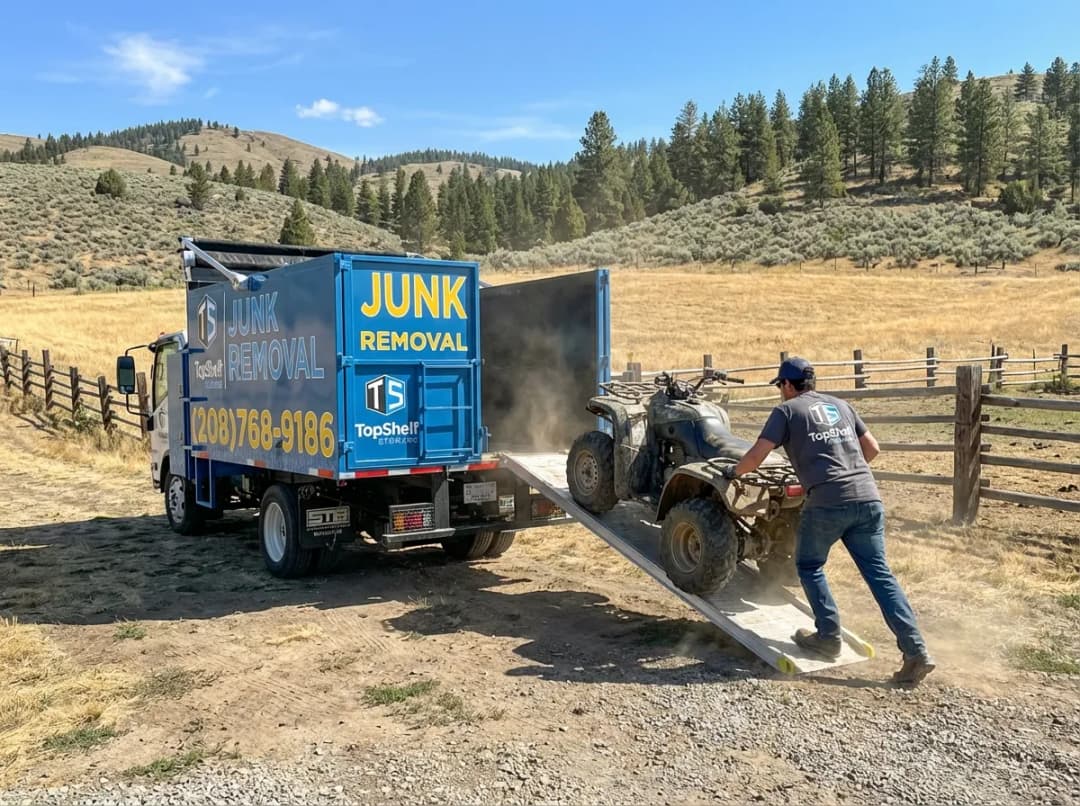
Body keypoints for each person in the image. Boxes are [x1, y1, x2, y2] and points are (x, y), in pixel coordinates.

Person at [721, 356, 935, 686]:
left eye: (780, 385)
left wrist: (733, 473)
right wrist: (844, 470)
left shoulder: (787, 411)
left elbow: (758, 454)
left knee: (808, 565)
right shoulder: (841, 405)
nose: (780, 391)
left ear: (789, 385)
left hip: (827, 503)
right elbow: (873, 449)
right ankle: (916, 651)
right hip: (868, 497)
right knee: (880, 576)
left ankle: (828, 636)